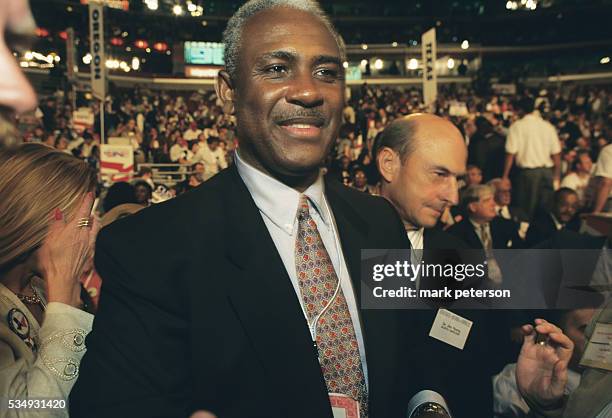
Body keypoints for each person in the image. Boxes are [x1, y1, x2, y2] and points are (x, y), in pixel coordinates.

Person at [70, 2, 413, 417]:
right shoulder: (151, 248)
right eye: (276, 69)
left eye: (326, 72)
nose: (308, 91)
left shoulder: (379, 223)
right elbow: (112, 405)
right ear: (227, 90)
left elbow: (413, 356)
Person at [0, 144, 98, 416]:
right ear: (35, 220)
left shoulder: (40, 288)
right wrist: (64, 305)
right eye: (80, 223)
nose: (86, 236)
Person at [375, 113, 467, 250]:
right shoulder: (338, 241)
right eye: (440, 174)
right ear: (388, 164)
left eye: (458, 180)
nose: (453, 198)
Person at [502, 97, 562, 219]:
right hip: (547, 173)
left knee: (527, 211)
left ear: (519, 110)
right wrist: (556, 176)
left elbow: (510, 153)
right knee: (546, 212)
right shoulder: (547, 126)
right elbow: (556, 154)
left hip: (528, 175)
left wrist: (505, 176)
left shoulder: (517, 126)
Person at [448, 184, 524, 251]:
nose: (493, 204)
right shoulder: (456, 233)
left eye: (493, 200)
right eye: (487, 200)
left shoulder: (507, 225)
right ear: (472, 207)